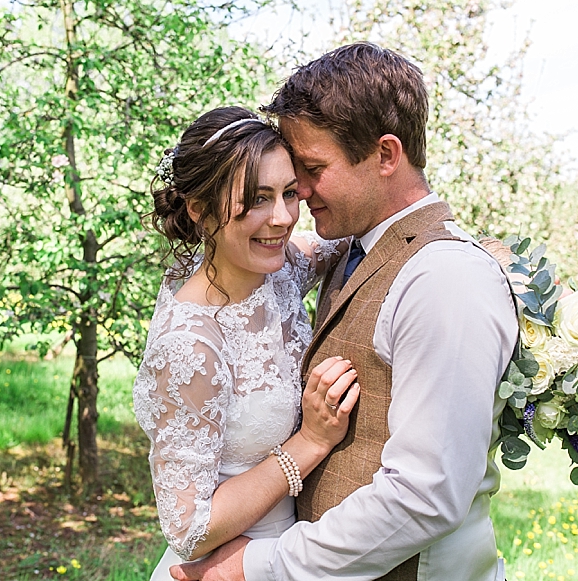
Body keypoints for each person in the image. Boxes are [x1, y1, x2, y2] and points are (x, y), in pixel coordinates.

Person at [171, 43, 519, 581]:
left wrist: (261, 565)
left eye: (310, 170)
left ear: (385, 155)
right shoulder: (356, 249)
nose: (297, 198)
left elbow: (426, 494)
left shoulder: (444, 276)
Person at [133, 106, 362, 581]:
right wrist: (310, 443)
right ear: (200, 209)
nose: (282, 218)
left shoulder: (275, 274)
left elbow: (350, 238)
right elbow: (188, 527)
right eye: (258, 199)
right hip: (224, 566)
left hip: (294, 557)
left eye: (289, 193)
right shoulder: (190, 348)